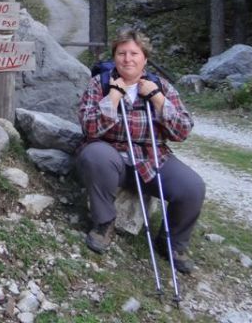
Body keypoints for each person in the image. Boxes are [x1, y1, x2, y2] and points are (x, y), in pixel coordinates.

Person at [76, 28, 206, 273]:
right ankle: (104, 223)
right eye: (121, 53)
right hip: (111, 155)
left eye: (134, 53)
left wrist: (157, 98)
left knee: (192, 187)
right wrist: (113, 97)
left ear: (145, 58)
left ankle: (172, 243)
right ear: (114, 57)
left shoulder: (161, 86)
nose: (128, 59)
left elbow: (182, 131)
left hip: (151, 158)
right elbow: (89, 128)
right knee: (94, 155)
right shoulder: (100, 84)